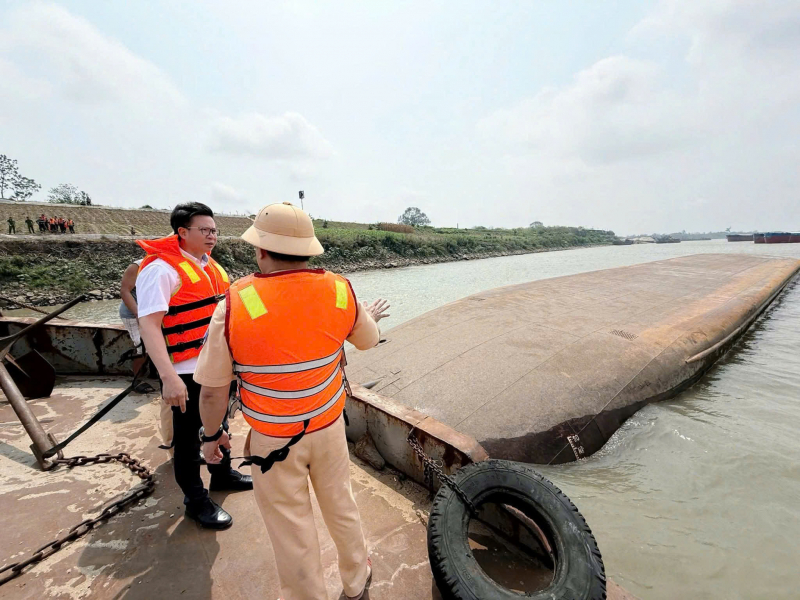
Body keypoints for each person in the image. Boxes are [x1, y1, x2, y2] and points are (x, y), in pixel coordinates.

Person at [197, 202, 391, 600]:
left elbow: (215, 390)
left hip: (273, 439)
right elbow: (367, 340)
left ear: (261, 250)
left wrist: (211, 435)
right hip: (328, 427)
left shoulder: (234, 303)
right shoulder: (340, 290)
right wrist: (363, 315)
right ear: (309, 250)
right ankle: (356, 581)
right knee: (342, 506)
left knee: (290, 527)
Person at [136, 202, 251, 529]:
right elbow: (149, 326)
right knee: (187, 441)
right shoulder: (161, 270)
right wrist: (169, 378)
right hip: (185, 371)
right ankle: (195, 500)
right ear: (182, 232)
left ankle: (222, 474)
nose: (212, 235)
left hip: (218, 366)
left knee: (219, 423)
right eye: (205, 230)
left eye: (214, 230)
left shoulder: (209, 266)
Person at [119, 260, 154, 395]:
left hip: (153, 313)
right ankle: (136, 380)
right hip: (133, 314)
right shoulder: (137, 266)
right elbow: (124, 291)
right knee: (142, 347)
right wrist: (138, 314)